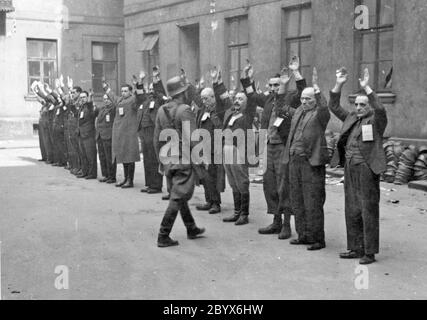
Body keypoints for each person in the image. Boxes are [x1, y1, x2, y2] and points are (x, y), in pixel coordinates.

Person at [241, 57, 306, 240]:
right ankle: (276, 221)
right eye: (270, 85)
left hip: (283, 147)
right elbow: (251, 95)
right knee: (270, 184)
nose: (272, 89)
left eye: (276, 85)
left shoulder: (291, 97)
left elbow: (303, 90)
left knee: (283, 184)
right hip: (268, 146)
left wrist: (295, 73)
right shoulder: (268, 99)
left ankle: (286, 225)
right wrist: (247, 78)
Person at [329, 67, 387, 265]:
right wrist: (339, 84)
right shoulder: (352, 118)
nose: (359, 107)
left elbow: (380, 109)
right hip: (350, 168)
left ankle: (369, 252)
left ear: (368, 106)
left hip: (367, 169)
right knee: (352, 208)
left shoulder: (376, 120)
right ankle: (355, 248)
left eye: (363, 104)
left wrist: (367, 88)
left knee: (367, 209)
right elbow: (334, 106)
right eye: (356, 104)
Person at [154, 76, 205, 248]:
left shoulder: (161, 110)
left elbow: (156, 139)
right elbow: (193, 138)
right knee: (177, 196)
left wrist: (161, 160)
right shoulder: (184, 110)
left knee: (178, 193)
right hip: (182, 158)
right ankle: (163, 235)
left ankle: (191, 228)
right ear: (182, 93)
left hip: (168, 158)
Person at [282, 67, 330, 251]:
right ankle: (303, 235)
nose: (304, 101)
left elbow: (325, 107)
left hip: (311, 162)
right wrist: (287, 85)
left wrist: (317, 88)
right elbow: (282, 107)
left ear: (315, 100)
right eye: (302, 98)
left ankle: (318, 239)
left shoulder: (319, 114)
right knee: (297, 199)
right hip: (295, 161)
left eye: (308, 99)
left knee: (313, 201)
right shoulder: (298, 112)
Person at [220, 69, 258, 226]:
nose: (237, 101)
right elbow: (222, 100)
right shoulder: (230, 114)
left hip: (239, 152)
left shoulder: (248, 115)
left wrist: (247, 80)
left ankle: (244, 214)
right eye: (235, 98)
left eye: (241, 99)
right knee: (233, 182)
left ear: (247, 103)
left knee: (242, 182)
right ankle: (236, 212)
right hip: (227, 150)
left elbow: (252, 97)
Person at [194, 67, 227, 215]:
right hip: (203, 148)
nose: (204, 101)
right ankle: (209, 200)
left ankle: (216, 203)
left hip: (215, 149)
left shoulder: (218, 109)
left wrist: (216, 82)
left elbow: (222, 98)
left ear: (213, 98)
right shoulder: (202, 110)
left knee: (214, 176)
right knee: (205, 176)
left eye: (206, 98)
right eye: (202, 99)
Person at [104, 82, 141, 189]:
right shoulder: (120, 100)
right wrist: (106, 87)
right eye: (122, 91)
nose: (123, 93)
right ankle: (125, 178)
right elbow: (113, 97)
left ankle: (130, 180)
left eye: (125, 91)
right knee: (124, 156)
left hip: (129, 133)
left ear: (130, 91)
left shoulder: (133, 99)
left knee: (130, 156)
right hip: (121, 133)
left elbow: (139, 98)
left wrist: (138, 86)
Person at [137, 69, 165, 194]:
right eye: (149, 89)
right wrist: (140, 82)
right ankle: (149, 183)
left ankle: (156, 185)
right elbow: (139, 95)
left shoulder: (158, 99)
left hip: (154, 131)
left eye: (152, 88)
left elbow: (162, 93)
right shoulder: (145, 101)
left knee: (154, 158)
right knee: (147, 159)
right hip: (144, 133)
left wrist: (156, 81)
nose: (150, 90)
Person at [76, 91, 98, 179]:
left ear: (88, 97)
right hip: (81, 134)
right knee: (83, 155)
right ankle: (85, 172)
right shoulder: (82, 107)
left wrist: (90, 101)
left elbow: (93, 114)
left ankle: (92, 173)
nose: (82, 99)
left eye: (84, 97)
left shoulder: (90, 106)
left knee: (90, 155)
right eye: (81, 97)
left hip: (89, 134)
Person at [96, 93, 117, 184]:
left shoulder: (113, 109)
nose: (106, 100)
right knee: (102, 156)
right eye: (104, 99)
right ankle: (106, 175)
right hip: (100, 135)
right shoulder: (102, 108)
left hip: (108, 135)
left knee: (109, 157)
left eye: (107, 99)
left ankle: (112, 176)